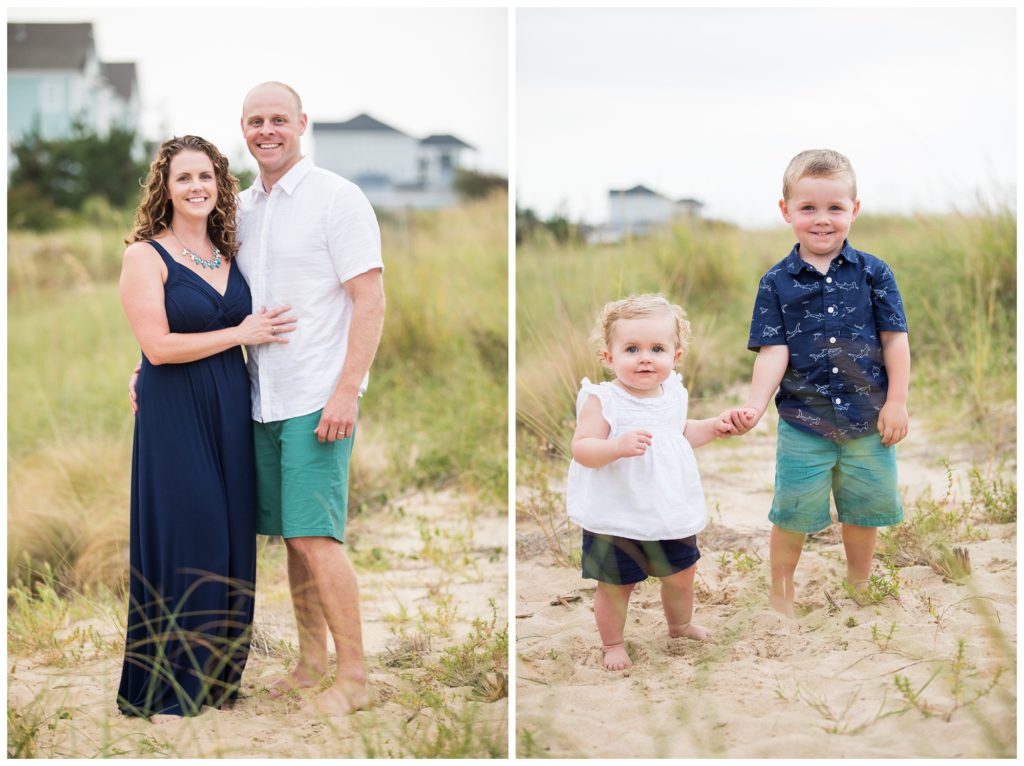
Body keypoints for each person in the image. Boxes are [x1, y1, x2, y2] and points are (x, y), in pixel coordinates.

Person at [117, 135, 296, 720]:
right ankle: (171, 685)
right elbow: (159, 346)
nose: (196, 187)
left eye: (206, 177)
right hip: (174, 413)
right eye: (183, 178)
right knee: (189, 531)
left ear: (220, 185)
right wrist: (239, 335)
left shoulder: (230, 251)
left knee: (228, 536)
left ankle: (218, 679)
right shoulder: (146, 255)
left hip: (229, 408)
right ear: (164, 189)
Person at [236, 82, 385, 716]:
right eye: (254, 121)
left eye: (277, 119)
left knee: (317, 538)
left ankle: (354, 678)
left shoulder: (337, 198)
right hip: (258, 398)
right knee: (292, 538)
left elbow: (369, 299)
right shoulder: (238, 208)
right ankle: (310, 662)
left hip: (316, 398)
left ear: (302, 123)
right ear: (243, 129)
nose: (266, 130)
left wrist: (346, 392)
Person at [726, 149, 911, 618]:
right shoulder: (776, 282)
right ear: (786, 210)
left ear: (855, 209)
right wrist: (753, 404)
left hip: (868, 420)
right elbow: (773, 351)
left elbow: (895, 341)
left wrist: (897, 402)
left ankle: (859, 582)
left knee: (862, 509)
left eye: (835, 208)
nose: (822, 219)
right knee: (792, 511)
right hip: (803, 423)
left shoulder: (875, 273)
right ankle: (781, 592)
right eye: (808, 208)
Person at [567, 294, 737, 671]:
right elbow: (582, 448)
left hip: (667, 507)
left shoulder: (673, 392)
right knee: (615, 585)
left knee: (681, 575)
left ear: (675, 356)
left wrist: (713, 427)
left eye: (657, 348)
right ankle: (612, 643)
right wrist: (615, 447)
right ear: (608, 357)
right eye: (632, 348)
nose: (645, 357)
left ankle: (680, 624)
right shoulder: (603, 399)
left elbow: (679, 434)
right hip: (617, 513)